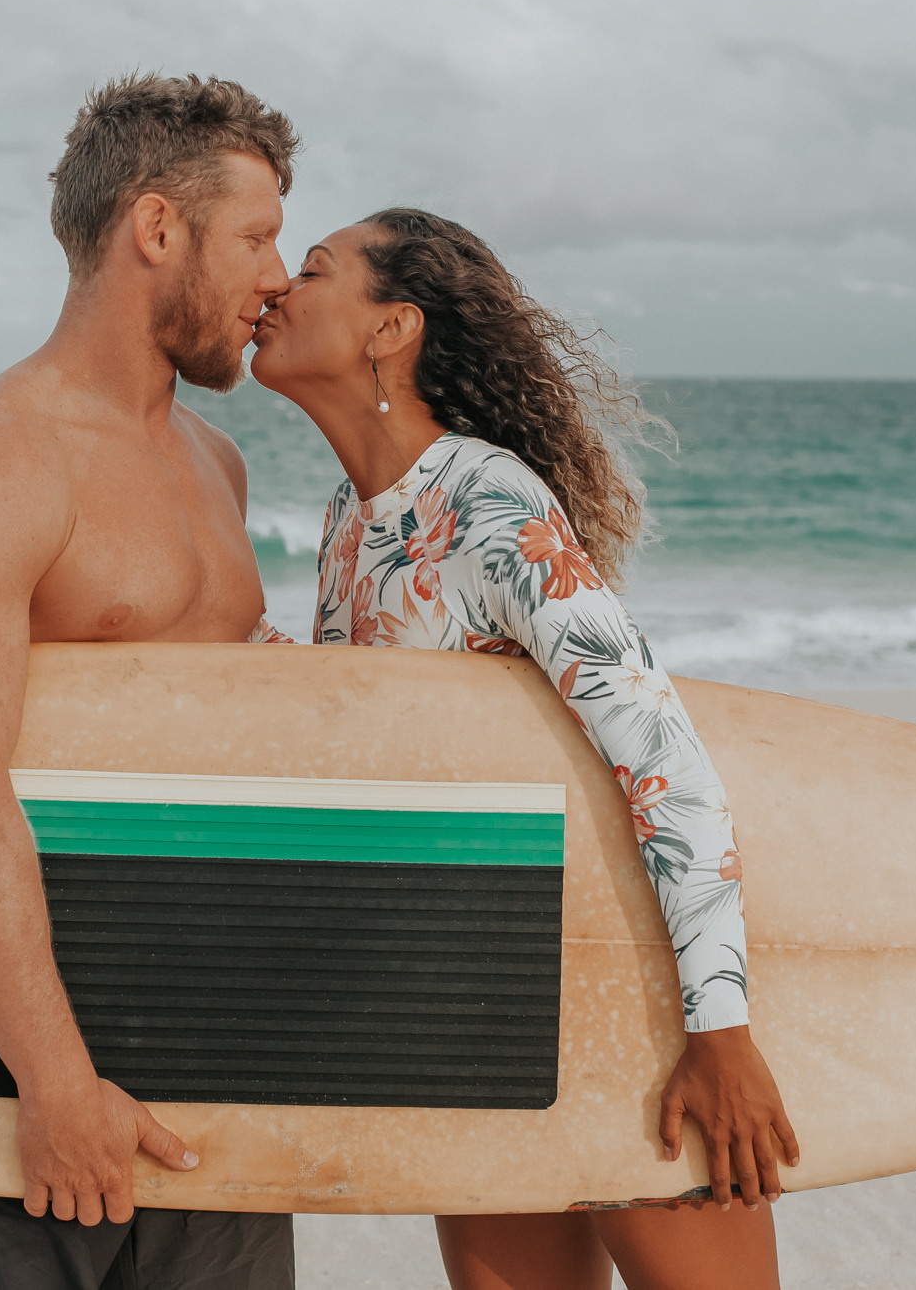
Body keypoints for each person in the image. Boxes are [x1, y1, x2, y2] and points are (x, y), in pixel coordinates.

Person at [248, 208, 801, 1290]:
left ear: (389, 328)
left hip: (607, 1003)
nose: (275, 289)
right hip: (474, 1010)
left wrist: (719, 1029)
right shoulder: (351, 517)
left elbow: (661, 754)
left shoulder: (486, 498)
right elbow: (361, 731)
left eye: (311, 270)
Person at [0, 73, 300, 1290]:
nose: (276, 276)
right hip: (35, 1066)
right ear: (156, 227)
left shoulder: (215, 461)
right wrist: (55, 1081)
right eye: (256, 238)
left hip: (218, 1058)